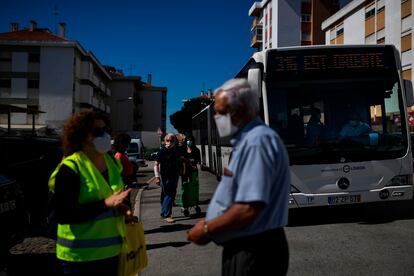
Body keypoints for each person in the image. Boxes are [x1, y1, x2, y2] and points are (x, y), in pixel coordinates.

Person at [187, 78, 290, 276]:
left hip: (254, 249)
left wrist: (207, 229)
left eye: (221, 111)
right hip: (248, 245)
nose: (217, 117)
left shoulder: (256, 142)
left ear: (240, 109)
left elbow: (248, 208)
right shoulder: (248, 141)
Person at [48, 110, 133, 275]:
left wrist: (124, 208)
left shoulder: (112, 163)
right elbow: (64, 214)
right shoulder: (71, 167)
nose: (105, 135)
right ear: (81, 136)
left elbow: (114, 198)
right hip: (79, 259)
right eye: (98, 131)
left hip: (113, 253)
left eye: (106, 130)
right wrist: (105, 204)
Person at [154, 133, 183, 223]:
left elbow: (180, 160)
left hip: (174, 175)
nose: (169, 142)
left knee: (168, 194)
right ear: (164, 141)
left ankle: (163, 213)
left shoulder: (176, 150)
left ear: (174, 141)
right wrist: (157, 177)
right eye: (167, 140)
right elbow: (156, 164)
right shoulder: (162, 151)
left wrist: (182, 170)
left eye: (171, 140)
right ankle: (167, 215)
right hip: (165, 176)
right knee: (169, 194)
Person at [179, 135, 201, 217]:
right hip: (185, 172)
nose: (189, 141)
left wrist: (191, 160)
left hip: (194, 172)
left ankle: (195, 204)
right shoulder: (182, 149)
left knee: (194, 188)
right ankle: (185, 207)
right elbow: (180, 158)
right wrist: (189, 160)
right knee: (185, 188)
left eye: (190, 140)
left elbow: (198, 160)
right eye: (187, 140)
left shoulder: (196, 150)